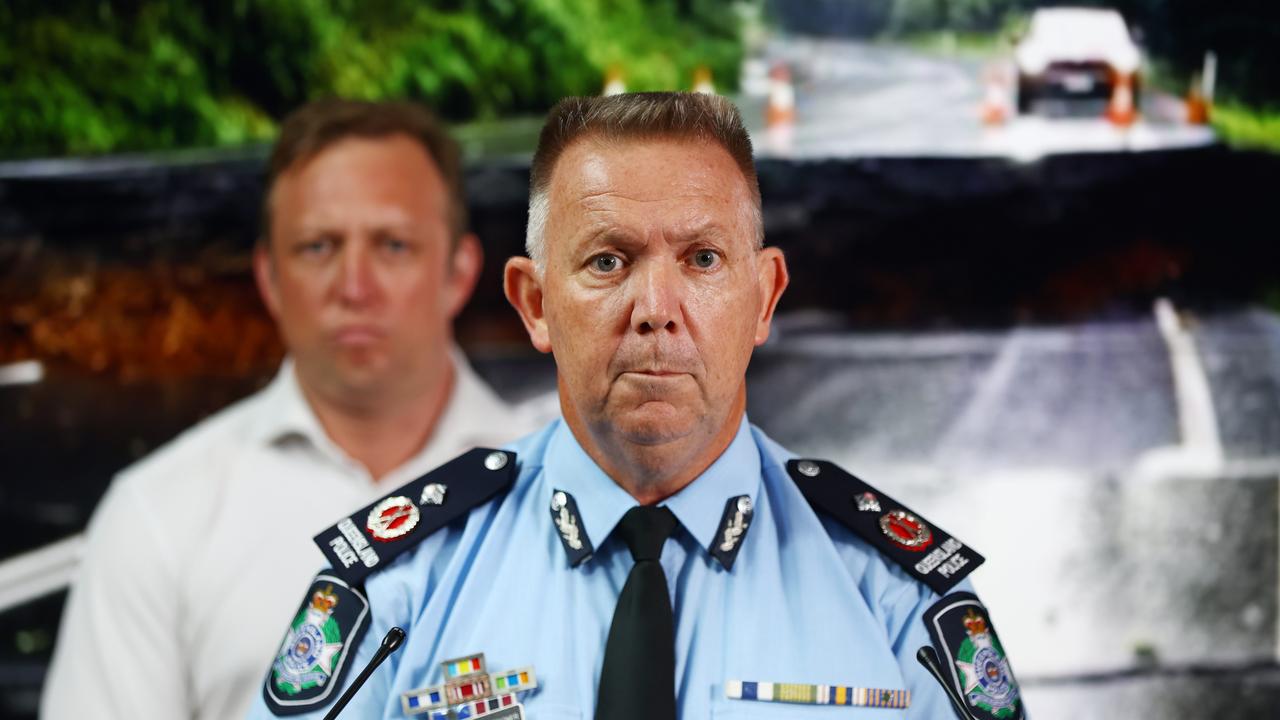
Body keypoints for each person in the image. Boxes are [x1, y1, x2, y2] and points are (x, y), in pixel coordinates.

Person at [247, 92, 1025, 720]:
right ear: (534, 302)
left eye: (703, 260)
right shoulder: (399, 591)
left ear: (765, 297)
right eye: (608, 260)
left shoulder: (897, 604)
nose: (656, 307)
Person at [41, 99, 536, 720]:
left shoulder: (565, 486)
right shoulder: (159, 516)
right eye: (318, 246)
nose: (355, 286)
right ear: (269, 278)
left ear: (459, 272)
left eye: (393, 245)